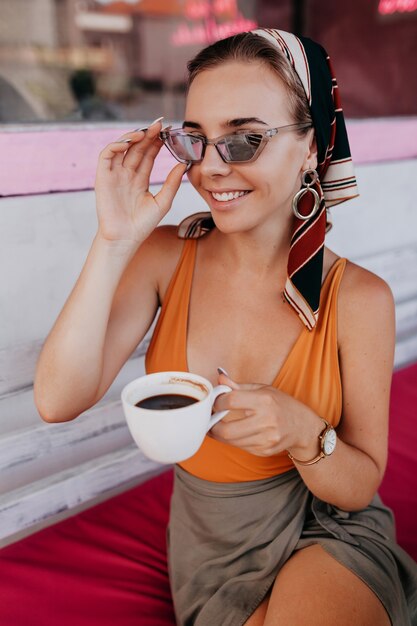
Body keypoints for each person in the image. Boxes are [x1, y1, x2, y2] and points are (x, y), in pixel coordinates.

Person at [34, 28, 417, 626]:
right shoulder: (164, 257)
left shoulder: (360, 298)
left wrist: (302, 432)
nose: (210, 169)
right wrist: (113, 241)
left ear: (312, 146)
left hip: (329, 534)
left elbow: (358, 486)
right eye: (196, 140)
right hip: (210, 552)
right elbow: (58, 401)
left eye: (244, 140)